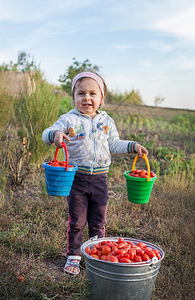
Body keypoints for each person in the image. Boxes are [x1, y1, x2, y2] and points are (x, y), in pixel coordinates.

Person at [42, 71, 148, 275]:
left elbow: (114, 144)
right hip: (76, 179)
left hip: (100, 179)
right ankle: (74, 255)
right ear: (74, 98)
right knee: (77, 220)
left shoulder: (106, 121)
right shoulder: (69, 119)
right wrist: (55, 134)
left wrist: (133, 146)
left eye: (93, 93)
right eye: (81, 93)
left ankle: (96, 254)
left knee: (99, 220)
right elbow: (46, 134)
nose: (87, 98)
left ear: (101, 98)